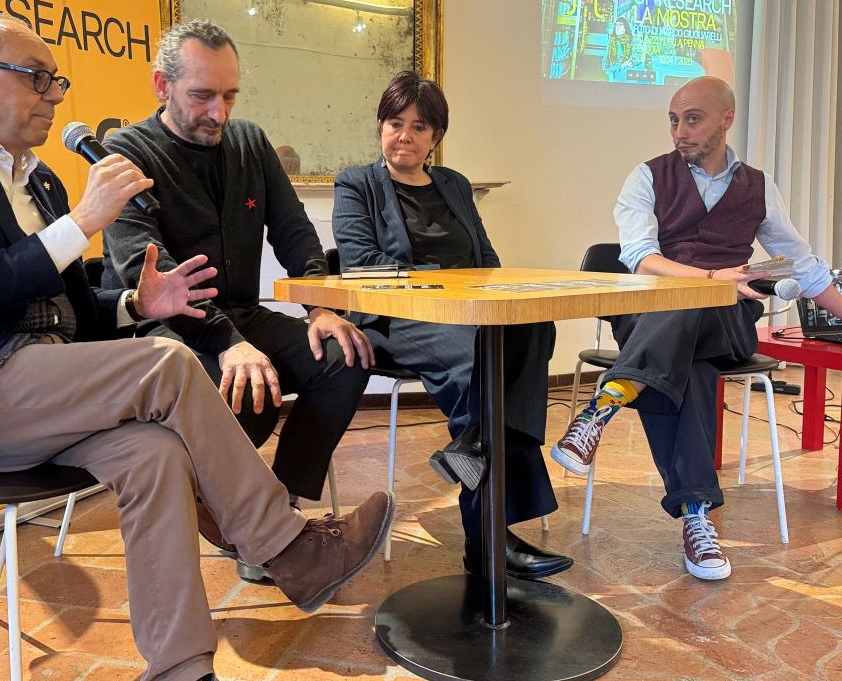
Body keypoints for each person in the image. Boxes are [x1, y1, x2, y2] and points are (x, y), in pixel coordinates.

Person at [0, 15, 393, 681]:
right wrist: (83, 223)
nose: (53, 95)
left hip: (40, 393)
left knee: (155, 454)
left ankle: (181, 667)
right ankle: (288, 547)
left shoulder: (38, 180)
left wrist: (139, 304)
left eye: (56, 81)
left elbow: (75, 313)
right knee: (166, 362)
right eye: (37, 78)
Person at [101, 19, 375, 579]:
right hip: (165, 330)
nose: (218, 113)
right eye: (202, 96)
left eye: (229, 96)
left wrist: (321, 308)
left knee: (345, 354)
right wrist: (230, 344)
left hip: (240, 317)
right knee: (243, 383)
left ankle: (279, 510)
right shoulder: (126, 154)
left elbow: (297, 235)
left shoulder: (250, 143)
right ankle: (249, 527)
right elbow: (158, 284)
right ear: (162, 85)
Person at [550, 76, 842, 581]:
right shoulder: (646, 177)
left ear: (726, 119)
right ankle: (696, 516)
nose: (679, 130)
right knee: (692, 366)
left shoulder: (758, 185)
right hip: (652, 315)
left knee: (692, 319)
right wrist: (709, 279)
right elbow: (641, 259)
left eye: (693, 118)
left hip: (727, 322)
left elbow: (803, 265)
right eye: (673, 118)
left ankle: (607, 401)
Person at [332, 71, 571, 579]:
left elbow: (485, 257)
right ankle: (488, 539)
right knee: (477, 360)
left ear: (435, 137)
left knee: (535, 327)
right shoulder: (357, 184)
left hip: (468, 314)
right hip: (398, 318)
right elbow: (360, 263)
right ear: (379, 127)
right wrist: (446, 283)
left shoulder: (455, 185)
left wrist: (499, 296)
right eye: (395, 123)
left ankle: (471, 448)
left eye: (419, 127)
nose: (405, 136)